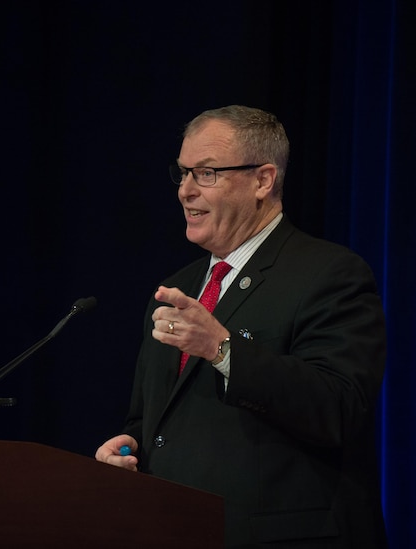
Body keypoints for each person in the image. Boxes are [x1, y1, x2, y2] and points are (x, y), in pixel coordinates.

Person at [95, 105, 387, 548]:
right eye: (183, 172)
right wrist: (126, 447)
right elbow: (151, 419)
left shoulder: (330, 274)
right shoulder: (179, 288)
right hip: (174, 531)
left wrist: (223, 349)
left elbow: (339, 408)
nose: (186, 192)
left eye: (207, 173)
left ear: (263, 180)